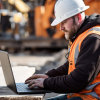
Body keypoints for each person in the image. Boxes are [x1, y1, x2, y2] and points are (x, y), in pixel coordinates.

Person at [25, 0, 100, 100]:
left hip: (92, 97)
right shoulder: (80, 34)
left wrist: (46, 83)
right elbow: (71, 65)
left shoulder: (93, 39)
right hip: (80, 95)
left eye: (64, 22)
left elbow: (78, 80)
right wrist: (48, 76)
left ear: (78, 17)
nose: (60, 28)